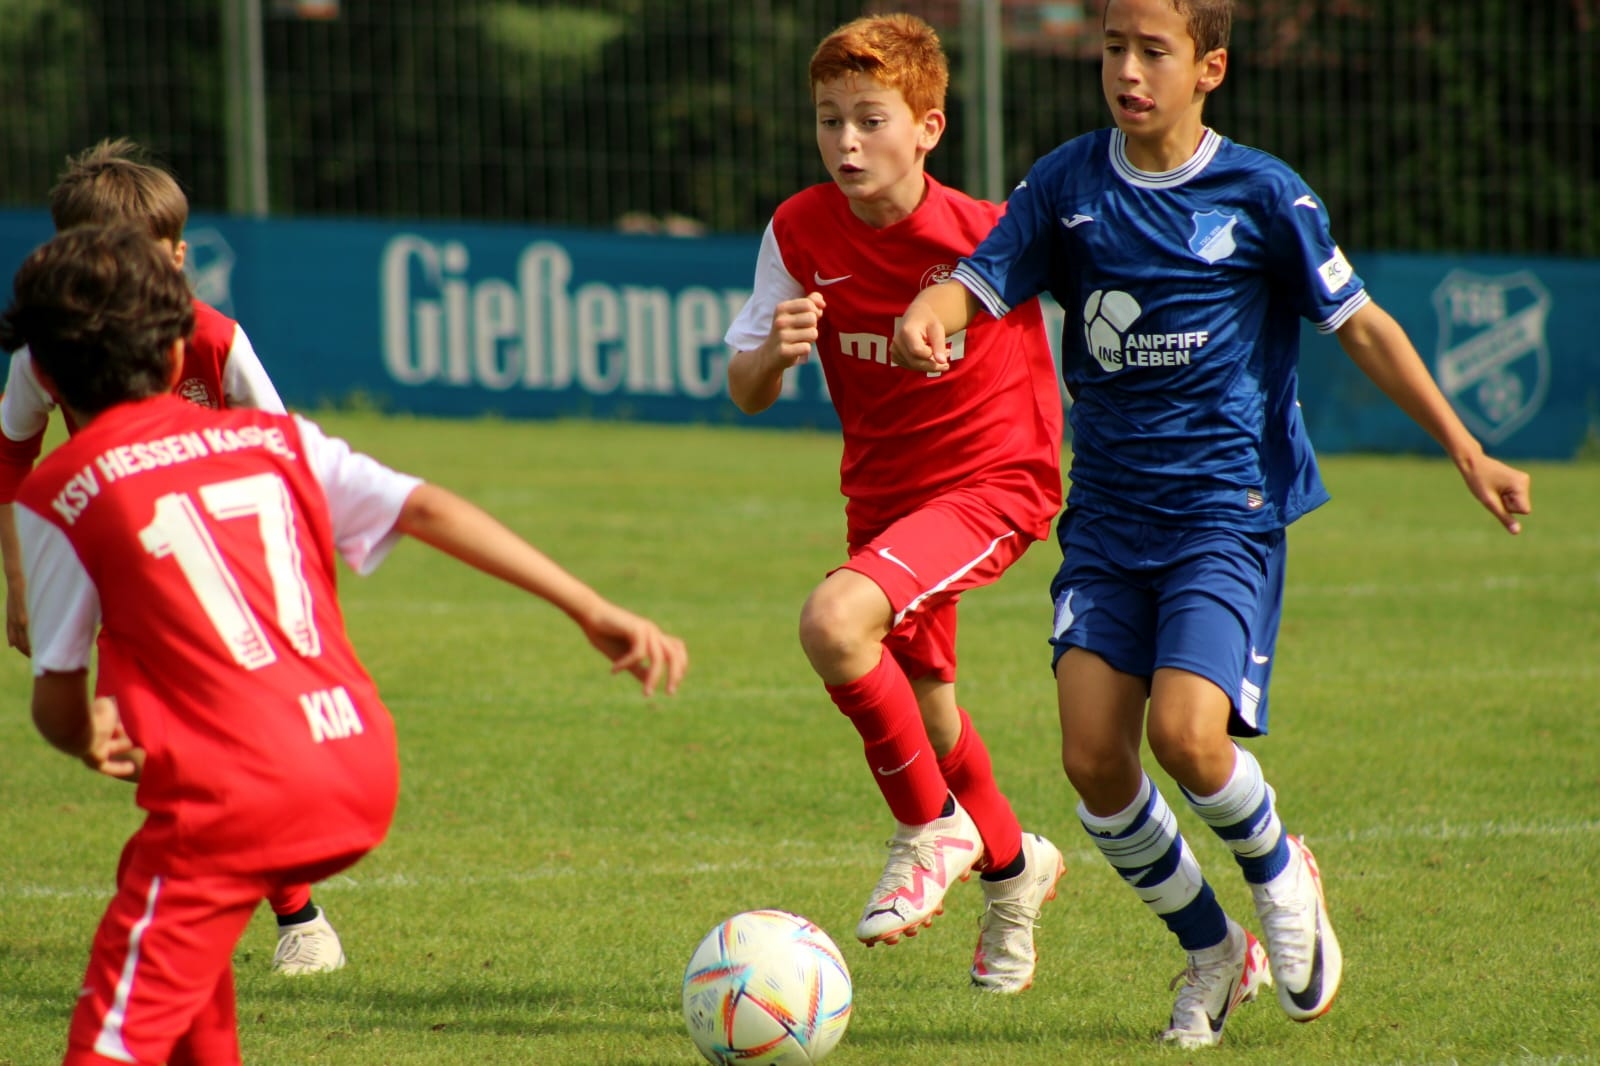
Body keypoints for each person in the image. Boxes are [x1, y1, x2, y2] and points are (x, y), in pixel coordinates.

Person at [892, 0, 1532, 1047]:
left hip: (1221, 514)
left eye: (1154, 51)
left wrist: (1466, 449)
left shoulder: (1263, 193)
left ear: (1210, 68)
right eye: (1114, 48)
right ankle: (1212, 950)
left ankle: (1281, 875)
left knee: (1187, 736)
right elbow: (979, 279)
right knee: (1094, 762)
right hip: (1107, 519)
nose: (1128, 70)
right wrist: (932, 312)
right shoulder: (1066, 185)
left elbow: (1360, 324)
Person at [4, 222, 688, 1066]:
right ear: (180, 350)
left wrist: (84, 735)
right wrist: (587, 606)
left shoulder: (62, 491)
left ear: (43, 375)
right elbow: (426, 507)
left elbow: (57, 698)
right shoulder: (278, 440)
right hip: (358, 759)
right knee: (184, 988)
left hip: (233, 791)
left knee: (108, 1040)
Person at [724, 13, 1067, 994]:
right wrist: (775, 351)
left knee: (834, 623)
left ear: (927, 128)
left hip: (992, 484)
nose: (845, 142)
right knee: (933, 718)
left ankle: (927, 829)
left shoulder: (990, 233)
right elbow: (744, 388)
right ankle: (1014, 874)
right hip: (884, 502)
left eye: (870, 120)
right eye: (828, 119)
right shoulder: (799, 229)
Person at [0, 137, 351, 975]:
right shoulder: (46, 357)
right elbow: (12, 453)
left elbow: (285, 453)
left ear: (178, 257)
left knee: (220, 745)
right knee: (140, 745)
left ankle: (297, 916)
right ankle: (265, 891)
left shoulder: (216, 341)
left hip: (226, 577)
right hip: (122, 575)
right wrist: (20, 580)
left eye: (144, 256)